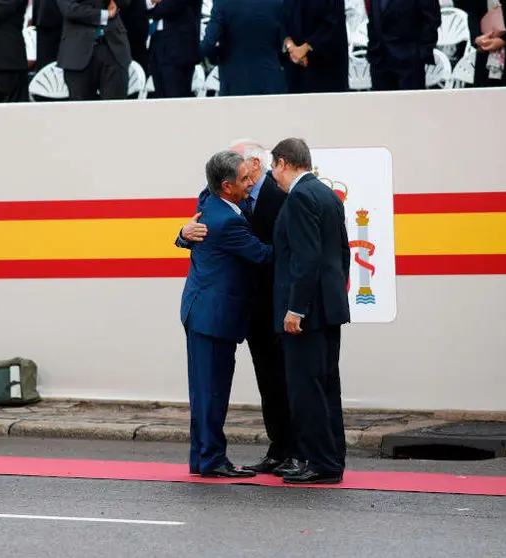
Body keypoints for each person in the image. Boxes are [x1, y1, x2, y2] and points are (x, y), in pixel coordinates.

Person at [175, 140, 293, 475]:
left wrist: (183, 234)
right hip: (213, 316)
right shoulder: (229, 222)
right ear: (227, 186)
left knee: (204, 390)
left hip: (202, 310)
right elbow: (265, 256)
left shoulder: (209, 200)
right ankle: (212, 459)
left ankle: (202, 458)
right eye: (244, 179)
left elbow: (197, 225)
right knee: (211, 392)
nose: (251, 182)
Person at [270, 137, 350, 485]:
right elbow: (342, 253)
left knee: (306, 388)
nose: (273, 176)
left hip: (308, 313)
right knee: (327, 385)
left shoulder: (300, 197)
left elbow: (305, 258)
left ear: (284, 163)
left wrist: (296, 310)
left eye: (273, 167)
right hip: (328, 308)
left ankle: (319, 462)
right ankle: (332, 458)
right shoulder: (327, 194)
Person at [199, 0, 286, 96]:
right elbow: (286, 39)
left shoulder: (223, 3)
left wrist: (218, 59)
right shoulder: (277, 3)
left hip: (234, 81)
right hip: (271, 79)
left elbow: (207, 46)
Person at [56, 0, 133, 100]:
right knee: (81, 110)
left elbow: (125, 2)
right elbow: (70, 10)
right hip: (78, 52)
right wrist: (104, 14)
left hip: (114, 49)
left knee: (115, 108)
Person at [366, 0, 440, 90]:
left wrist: (421, 52)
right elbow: (373, 17)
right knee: (381, 103)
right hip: (379, 58)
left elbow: (432, 19)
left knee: (410, 103)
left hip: (410, 60)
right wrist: (373, 46)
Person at [282, 0, 349, 93]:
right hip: (294, 65)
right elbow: (281, 17)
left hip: (325, 68)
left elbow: (335, 20)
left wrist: (306, 47)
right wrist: (290, 45)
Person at [146, 0, 202, 98]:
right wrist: (151, 3)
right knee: (161, 100)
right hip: (157, 45)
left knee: (176, 100)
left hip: (178, 49)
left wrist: (153, 5)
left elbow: (169, 6)